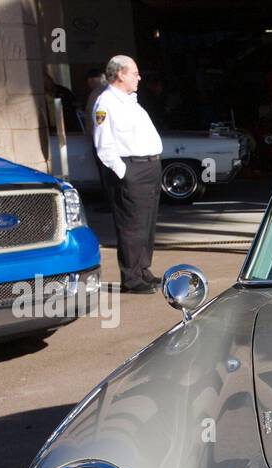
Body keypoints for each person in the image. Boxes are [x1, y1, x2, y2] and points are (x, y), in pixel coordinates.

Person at [92, 55, 163, 294]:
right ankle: (132, 279)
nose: (139, 77)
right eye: (135, 73)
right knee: (132, 225)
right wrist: (125, 172)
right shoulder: (106, 103)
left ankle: (143, 269)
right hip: (131, 168)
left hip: (149, 167)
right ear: (120, 74)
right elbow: (104, 145)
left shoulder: (130, 101)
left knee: (147, 223)